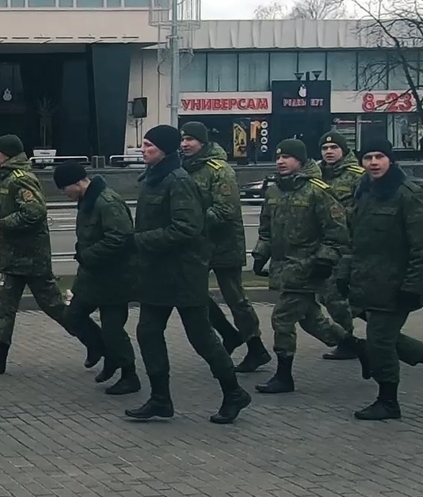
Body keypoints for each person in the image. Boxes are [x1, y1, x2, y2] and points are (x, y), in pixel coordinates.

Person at [125, 125, 251, 424]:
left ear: (164, 150)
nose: (143, 149)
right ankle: (160, 399)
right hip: (157, 273)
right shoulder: (152, 179)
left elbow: (186, 228)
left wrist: (139, 241)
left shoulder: (178, 181)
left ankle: (234, 393)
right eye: (143, 144)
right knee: (148, 332)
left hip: (183, 273)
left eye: (149, 145)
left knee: (202, 337)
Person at [339, 137, 423, 420]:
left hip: (396, 285)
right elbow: (354, 239)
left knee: (379, 341)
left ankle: (388, 401)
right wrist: (345, 274)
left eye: (379, 157)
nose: (373, 163)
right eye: (368, 157)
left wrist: (413, 287)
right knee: (387, 337)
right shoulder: (364, 191)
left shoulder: (408, 194)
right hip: (367, 281)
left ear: (391, 160)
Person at [0, 134, 79, 374]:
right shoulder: (8, 178)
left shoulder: (20, 179)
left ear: (7, 154)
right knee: (4, 306)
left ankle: (97, 342)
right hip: (15, 258)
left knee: (54, 306)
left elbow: (35, 212)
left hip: (30, 258)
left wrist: (3, 223)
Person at [250, 139, 352, 396]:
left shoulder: (318, 191)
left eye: (288, 157)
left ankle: (284, 376)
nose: (281, 161)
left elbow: (337, 232)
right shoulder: (274, 191)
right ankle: (359, 348)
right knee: (312, 321)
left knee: (282, 318)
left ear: (301, 161)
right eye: (278, 157)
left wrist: (325, 260)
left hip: (308, 267)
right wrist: (260, 255)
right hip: (284, 267)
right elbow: (265, 228)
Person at [180, 122, 271, 374]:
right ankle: (229, 335)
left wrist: (190, 219)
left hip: (224, 245)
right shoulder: (186, 168)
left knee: (235, 299)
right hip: (197, 245)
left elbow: (225, 210)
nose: (185, 144)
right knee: (193, 293)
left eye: (191, 139)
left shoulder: (220, 170)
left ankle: (256, 347)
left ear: (203, 142)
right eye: (183, 139)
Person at [54, 161, 139, 396]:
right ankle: (107, 353)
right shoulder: (87, 201)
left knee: (113, 329)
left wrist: (88, 254)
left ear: (77, 183)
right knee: (72, 316)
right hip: (92, 275)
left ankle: (129, 375)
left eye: (64, 189)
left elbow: (120, 238)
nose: (64, 194)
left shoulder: (107, 202)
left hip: (115, 277)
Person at [314, 131, 365, 361]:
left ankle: (349, 341)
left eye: (334, 147)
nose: (329, 152)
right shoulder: (316, 174)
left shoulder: (358, 176)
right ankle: (377, 326)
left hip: (350, 245)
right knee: (328, 295)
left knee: (335, 295)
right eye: (325, 149)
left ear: (344, 150)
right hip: (324, 243)